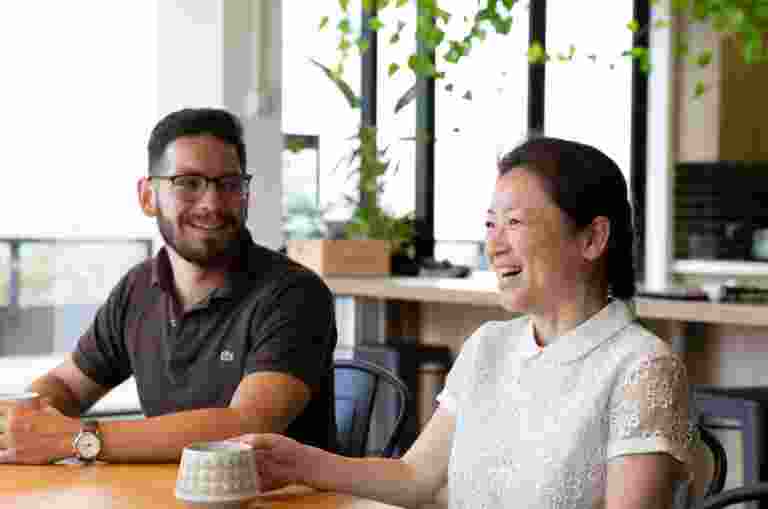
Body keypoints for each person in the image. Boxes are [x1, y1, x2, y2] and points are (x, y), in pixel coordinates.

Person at [234, 137, 696, 509]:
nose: (494, 245)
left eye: (514, 222)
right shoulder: (489, 345)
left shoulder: (642, 367)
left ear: (593, 238)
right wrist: (298, 462)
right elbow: (417, 478)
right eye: (490, 224)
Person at [0, 108, 338, 464]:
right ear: (148, 196)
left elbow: (247, 425)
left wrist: (82, 439)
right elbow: (67, 386)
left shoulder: (294, 294)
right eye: (188, 183)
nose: (211, 204)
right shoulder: (138, 289)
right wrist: (21, 420)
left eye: (228, 184)